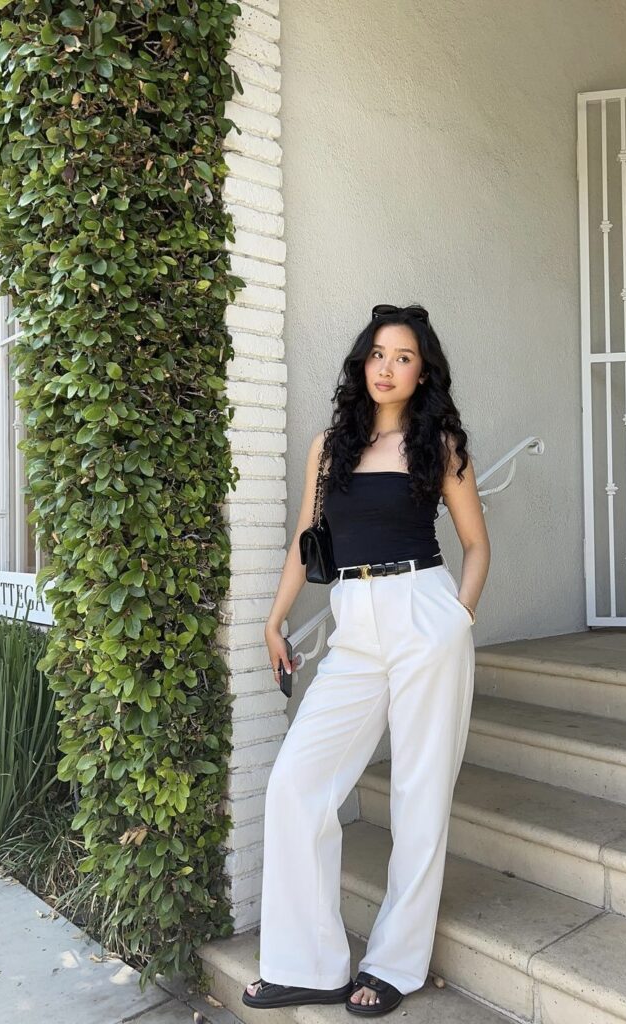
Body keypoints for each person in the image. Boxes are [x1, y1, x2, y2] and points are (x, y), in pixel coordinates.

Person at [241, 302, 490, 1016]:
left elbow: (476, 545)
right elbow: (305, 539)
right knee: (296, 783)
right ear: (361, 364)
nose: (386, 367)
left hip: (422, 612)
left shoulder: (438, 444)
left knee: (418, 794)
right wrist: (275, 617)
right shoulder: (330, 446)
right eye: (376, 354)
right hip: (352, 623)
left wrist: (456, 618)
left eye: (403, 356)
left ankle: (393, 966)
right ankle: (307, 963)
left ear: (423, 371)